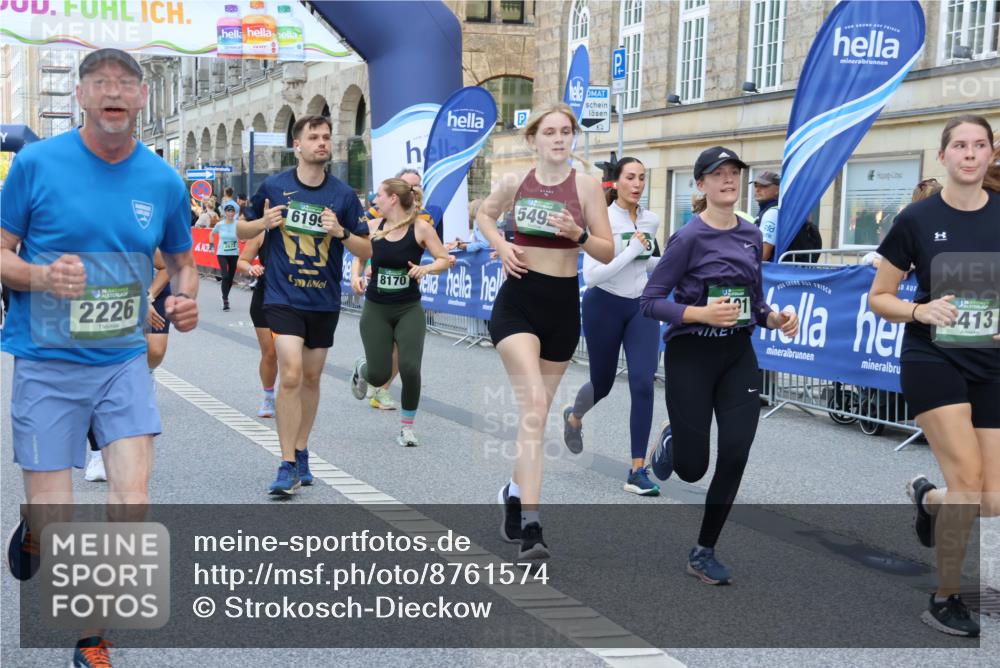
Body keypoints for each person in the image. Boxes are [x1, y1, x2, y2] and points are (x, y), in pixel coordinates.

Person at [1, 48, 199, 668]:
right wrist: (38, 276)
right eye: (99, 82)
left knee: (131, 500)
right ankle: (34, 530)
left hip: (121, 361)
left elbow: (183, 261)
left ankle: (93, 639)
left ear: (141, 97)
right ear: (81, 96)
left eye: (125, 83)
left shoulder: (162, 179)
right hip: (46, 361)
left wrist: (185, 300)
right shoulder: (36, 164)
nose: (113, 92)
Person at [640, 146, 798, 585]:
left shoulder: (750, 234)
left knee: (735, 452)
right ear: (702, 185)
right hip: (691, 355)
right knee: (692, 468)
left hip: (736, 356)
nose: (729, 180)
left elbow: (756, 302)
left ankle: (704, 550)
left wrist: (776, 319)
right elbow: (650, 302)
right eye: (718, 174)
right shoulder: (688, 238)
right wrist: (699, 314)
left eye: (734, 173)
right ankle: (672, 440)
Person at [868, 115, 1000, 638]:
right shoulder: (916, 219)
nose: (970, 154)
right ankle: (946, 596)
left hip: (990, 363)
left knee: (989, 500)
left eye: (980, 145)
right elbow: (879, 297)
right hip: (932, 358)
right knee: (967, 480)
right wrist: (920, 312)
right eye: (959, 145)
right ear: (943, 156)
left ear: (991, 155)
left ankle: (927, 499)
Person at [476, 103, 614, 559]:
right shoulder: (515, 181)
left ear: (573, 138)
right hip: (517, 301)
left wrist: (577, 234)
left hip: (561, 307)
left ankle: (513, 493)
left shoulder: (588, 187)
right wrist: (501, 246)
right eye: (549, 132)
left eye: (566, 131)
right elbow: (484, 216)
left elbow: (607, 251)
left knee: (534, 419)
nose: (558, 138)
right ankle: (533, 527)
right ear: (533, 138)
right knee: (534, 404)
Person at [238, 114, 371, 496]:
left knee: (311, 378)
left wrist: (341, 232)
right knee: (291, 372)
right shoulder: (274, 187)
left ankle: (301, 449)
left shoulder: (343, 196)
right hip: (282, 296)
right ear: (297, 145)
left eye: (327, 137)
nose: (322, 143)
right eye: (314, 137)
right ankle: (286, 464)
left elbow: (367, 248)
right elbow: (240, 231)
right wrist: (263, 222)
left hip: (323, 298)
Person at [562, 157, 662, 496]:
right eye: (631, 177)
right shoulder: (601, 219)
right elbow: (592, 275)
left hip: (641, 308)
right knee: (602, 383)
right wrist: (631, 249)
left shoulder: (651, 219)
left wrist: (679, 259)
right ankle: (574, 417)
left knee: (643, 382)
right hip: (603, 304)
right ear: (616, 183)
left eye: (642, 178)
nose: (637, 184)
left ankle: (637, 469)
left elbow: (647, 262)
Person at [349, 178, 451, 445]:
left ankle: (407, 428)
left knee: (409, 368)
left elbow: (444, 260)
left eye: (379, 196)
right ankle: (363, 368)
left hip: (408, 308)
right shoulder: (372, 227)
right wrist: (355, 276)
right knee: (379, 374)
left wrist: (425, 269)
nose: (375, 201)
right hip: (376, 308)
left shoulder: (421, 228)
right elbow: (358, 255)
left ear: (393, 198)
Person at [350, 168, 429, 410]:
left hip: (407, 302)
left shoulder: (424, 221)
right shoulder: (375, 219)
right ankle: (372, 374)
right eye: (408, 185)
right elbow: (362, 251)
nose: (412, 189)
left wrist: (427, 267)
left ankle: (384, 391)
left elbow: (437, 253)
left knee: (406, 358)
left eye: (416, 185)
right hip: (379, 302)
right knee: (381, 362)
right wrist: (357, 274)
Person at [237, 233, 277, 418]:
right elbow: (242, 261)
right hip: (265, 297)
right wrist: (252, 268)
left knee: (293, 354)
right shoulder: (263, 232)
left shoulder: (300, 228)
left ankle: (292, 395)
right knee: (270, 353)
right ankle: (269, 395)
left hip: (294, 298)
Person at [210, 200, 240, 310]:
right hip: (222, 253)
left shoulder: (238, 223)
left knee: (231, 277)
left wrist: (243, 239)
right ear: (225, 212)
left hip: (234, 253)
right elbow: (211, 234)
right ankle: (225, 298)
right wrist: (211, 246)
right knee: (225, 276)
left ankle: (225, 296)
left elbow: (241, 235)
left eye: (232, 211)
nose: (231, 213)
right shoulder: (220, 224)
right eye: (228, 211)